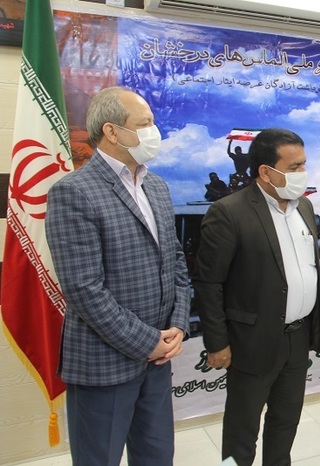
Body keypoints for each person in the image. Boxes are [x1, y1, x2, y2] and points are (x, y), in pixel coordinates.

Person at [45, 86, 190, 466]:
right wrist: (148, 342)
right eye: (144, 123)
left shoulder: (156, 186)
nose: (154, 132)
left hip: (157, 362)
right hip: (105, 363)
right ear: (111, 131)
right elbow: (83, 289)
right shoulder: (73, 193)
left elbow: (175, 261)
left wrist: (178, 325)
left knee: (157, 456)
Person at [193, 128, 320, 466]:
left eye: (304, 164)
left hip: (298, 338)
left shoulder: (304, 207)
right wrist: (217, 343)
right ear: (266, 172)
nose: (303, 173)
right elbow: (208, 283)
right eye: (294, 167)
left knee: (286, 421)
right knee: (242, 430)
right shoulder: (229, 212)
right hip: (251, 341)